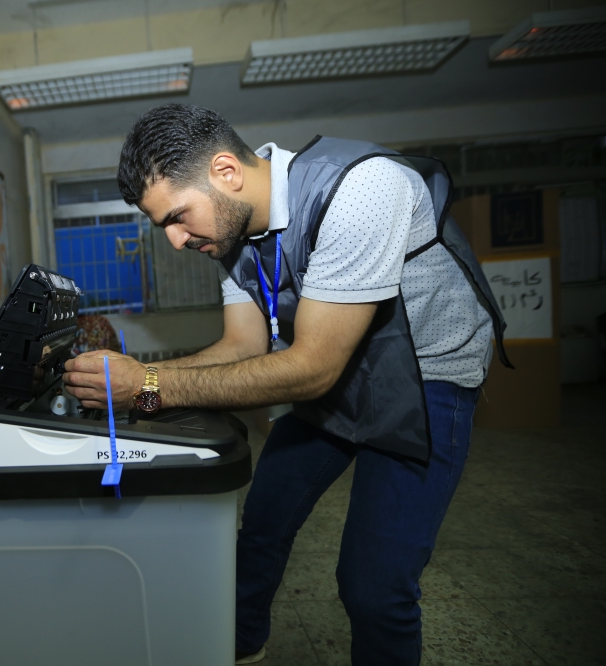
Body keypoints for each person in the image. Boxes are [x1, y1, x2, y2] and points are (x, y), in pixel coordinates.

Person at [62, 104, 510, 665]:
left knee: (373, 587)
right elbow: (242, 349)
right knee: (264, 521)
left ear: (226, 172)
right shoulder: (232, 232)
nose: (175, 240)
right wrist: (135, 386)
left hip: (426, 382)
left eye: (177, 216)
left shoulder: (362, 188)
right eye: (165, 227)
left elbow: (312, 367)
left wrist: (147, 385)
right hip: (341, 380)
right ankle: (241, 643)